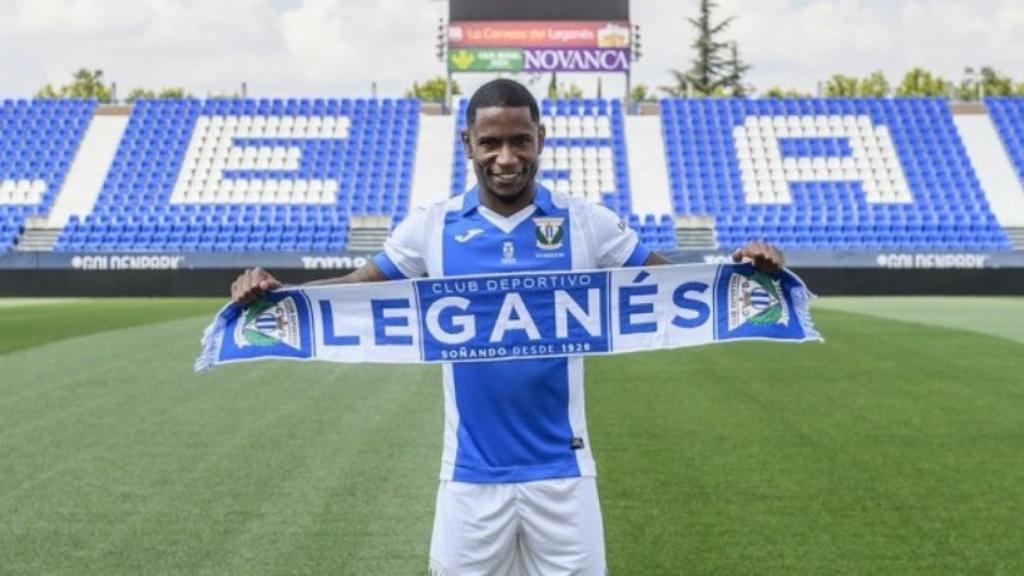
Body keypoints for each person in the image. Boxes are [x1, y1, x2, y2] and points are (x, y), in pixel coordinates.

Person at [231, 79, 783, 575]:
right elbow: (359, 287)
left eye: (520, 140)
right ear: (467, 145)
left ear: (541, 137)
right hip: (469, 477)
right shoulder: (433, 226)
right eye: (490, 143)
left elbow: (674, 284)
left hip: (563, 473)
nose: (506, 157)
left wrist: (739, 273)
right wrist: (276, 297)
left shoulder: (584, 221)